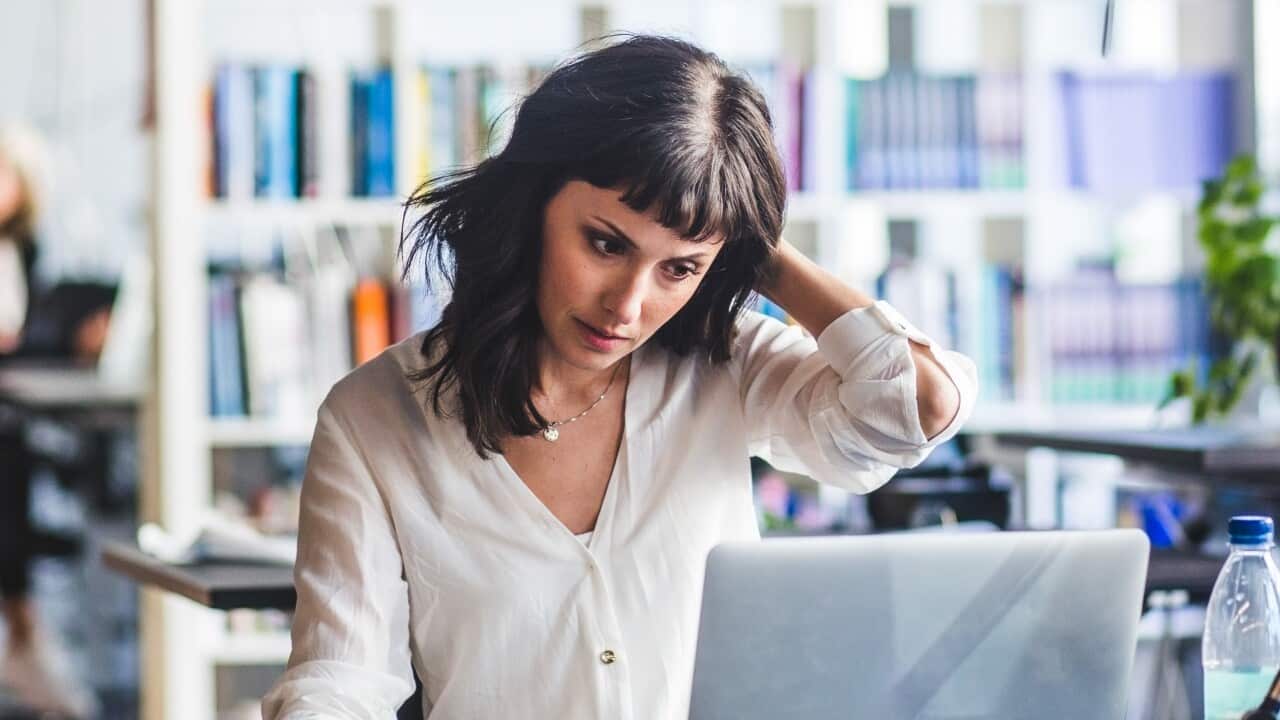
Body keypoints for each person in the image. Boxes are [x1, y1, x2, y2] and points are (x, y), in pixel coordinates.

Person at [261, 35, 977, 719]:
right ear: (533, 204)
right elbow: (340, 682)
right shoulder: (373, 420)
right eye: (606, 244)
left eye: (679, 268)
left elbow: (913, 406)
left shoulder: (722, 362)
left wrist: (755, 244)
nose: (628, 306)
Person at [0, 123, 100, 719]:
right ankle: (27, 634)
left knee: (15, 457)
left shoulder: (25, 251)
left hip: (12, 412)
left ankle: (26, 634)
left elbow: (28, 336)